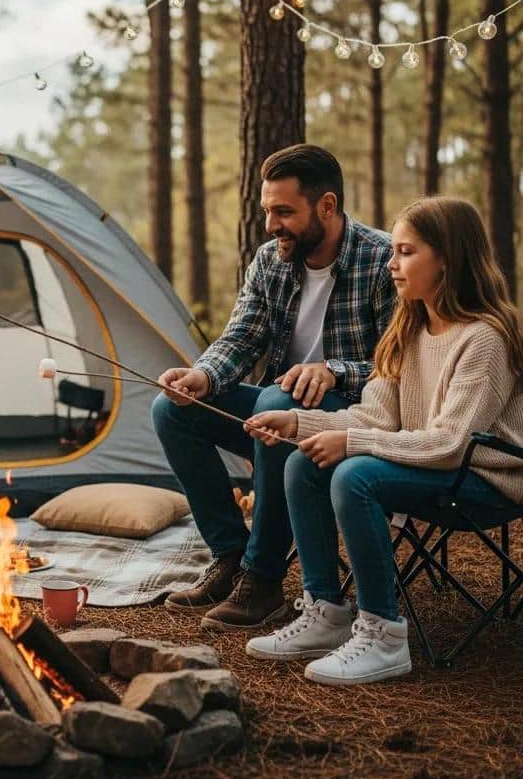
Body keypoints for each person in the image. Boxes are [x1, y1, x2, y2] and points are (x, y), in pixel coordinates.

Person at [243, 196, 523, 684]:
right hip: (434, 468)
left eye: (406, 252)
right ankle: (327, 612)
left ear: (448, 259)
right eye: (393, 251)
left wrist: (351, 443)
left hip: (484, 480)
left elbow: (451, 444)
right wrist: (296, 422)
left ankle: (384, 634)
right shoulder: (409, 327)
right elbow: (375, 416)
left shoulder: (483, 339)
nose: (391, 264)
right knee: (302, 465)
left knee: (355, 475)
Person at [152, 144, 396, 630]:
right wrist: (202, 376)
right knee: (171, 409)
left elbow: (401, 367)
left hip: (349, 429)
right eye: (267, 211)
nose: (270, 225)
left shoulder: (383, 260)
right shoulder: (270, 260)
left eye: (283, 212)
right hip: (276, 426)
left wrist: (334, 371)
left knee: (277, 398)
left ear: (326, 206)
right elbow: (241, 338)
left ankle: (263, 579)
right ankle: (230, 556)